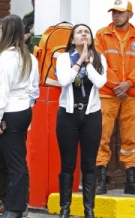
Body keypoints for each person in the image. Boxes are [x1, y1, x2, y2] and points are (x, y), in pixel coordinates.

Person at [56, 24, 107, 218]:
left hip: (91, 115)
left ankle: (89, 210)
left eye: (87, 32)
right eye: (79, 32)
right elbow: (64, 80)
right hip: (68, 116)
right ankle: (65, 209)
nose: (84, 34)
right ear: (72, 39)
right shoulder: (63, 58)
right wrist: (78, 62)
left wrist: (88, 63)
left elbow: (100, 82)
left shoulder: (100, 58)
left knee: (88, 164)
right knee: (68, 164)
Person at [0, 14, 39, 218]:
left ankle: (15, 208)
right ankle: (17, 205)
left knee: (14, 163)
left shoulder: (5, 58)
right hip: (23, 111)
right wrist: (26, 104)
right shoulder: (29, 57)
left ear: (7, 32)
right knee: (17, 160)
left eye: (1, 29)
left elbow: (2, 91)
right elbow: (34, 90)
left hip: (9, 111)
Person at [95, 0, 135, 195]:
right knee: (102, 135)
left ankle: (131, 179)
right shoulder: (101, 35)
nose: (116, 16)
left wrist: (128, 83)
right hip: (108, 94)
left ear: (130, 14)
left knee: (131, 137)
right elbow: (99, 63)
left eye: (120, 12)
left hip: (131, 94)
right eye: (114, 12)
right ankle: (100, 178)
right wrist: (117, 86)